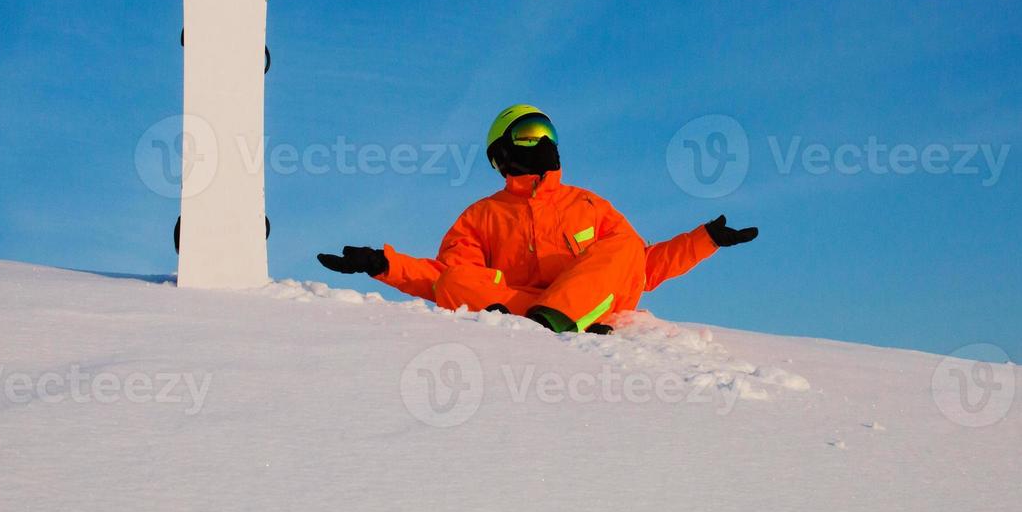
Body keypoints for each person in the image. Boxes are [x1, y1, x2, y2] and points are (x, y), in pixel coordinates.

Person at [317, 105, 758, 334]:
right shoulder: (481, 216)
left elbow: (639, 267)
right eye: (530, 134)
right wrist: (384, 264)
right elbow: (446, 278)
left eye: (548, 133)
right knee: (453, 283)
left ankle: (561, 315)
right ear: (503, 153)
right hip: (522, 303)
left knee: (622, 247)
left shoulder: (588, 204)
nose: (542, 141)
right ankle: (546, 320)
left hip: (594, 300)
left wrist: (705, 240)